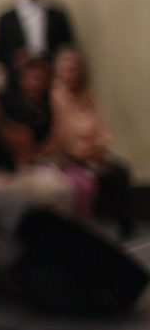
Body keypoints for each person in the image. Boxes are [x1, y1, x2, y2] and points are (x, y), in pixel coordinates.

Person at [48, 48, 134, 238]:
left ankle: (125, 229)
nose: (71, 73)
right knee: (87, 179)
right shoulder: (54, 98)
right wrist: (82, 153)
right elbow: (61, 133)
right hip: (69, 157)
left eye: (75, 68)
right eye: (67, 68)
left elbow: (103, 126)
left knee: (121, 170)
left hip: (95, 153)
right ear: (58, 71)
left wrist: (99, 147)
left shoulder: (87, 95)